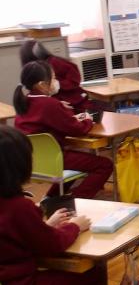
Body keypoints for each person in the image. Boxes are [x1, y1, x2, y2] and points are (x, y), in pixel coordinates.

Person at [0, 125, 106, 285]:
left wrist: (44, 226)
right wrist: (75, 226)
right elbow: (53, 245)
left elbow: (15, 239)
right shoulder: (19, 207)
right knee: (92, 274)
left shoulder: (18, 208)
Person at [14, 61, 113, 199]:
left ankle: (51, 199)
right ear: (42, 84)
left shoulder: (24, 103)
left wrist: (68, 116)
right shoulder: (50, 104)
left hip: (33, 160)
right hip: (55, 160)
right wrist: (88, 119)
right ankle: (75, 200)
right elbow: (78, 129)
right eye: (54, 78)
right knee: (105, 165)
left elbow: (52, 122)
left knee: (74, 163)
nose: (56, 82)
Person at [19, 40, 91, 112]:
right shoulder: (34, 71)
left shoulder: (54, 62)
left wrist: (58, 85)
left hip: (73, 101)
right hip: (56, 104)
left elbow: (74, 78)